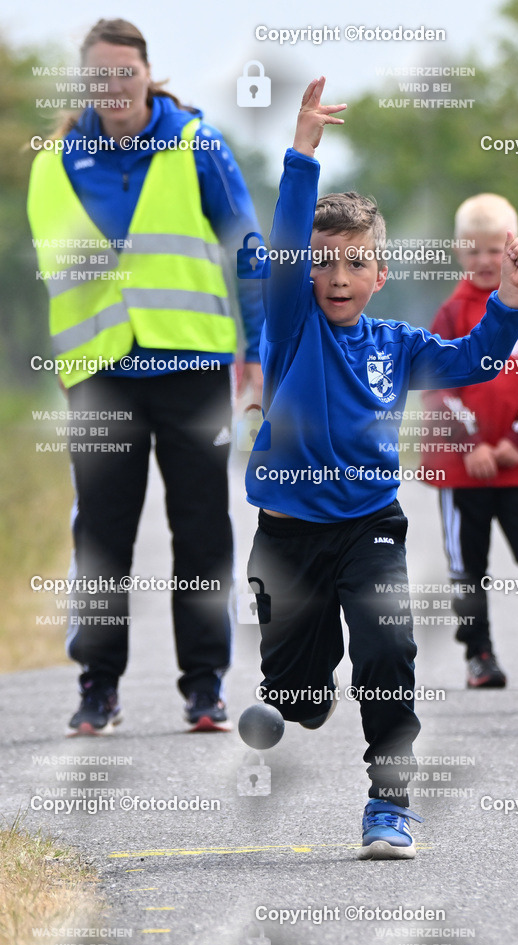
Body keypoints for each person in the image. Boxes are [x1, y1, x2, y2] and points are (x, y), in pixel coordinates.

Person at [243, 78, 518, 858]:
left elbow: (476, 357)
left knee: (387, 652)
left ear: (380, 274)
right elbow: (283, 236)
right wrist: (301, 151)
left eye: (357, 264)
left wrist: (508, 297)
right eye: (325, 263)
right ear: (306, 272)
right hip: (286, 534)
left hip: (371, 525)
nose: (338, 277)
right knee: (300, 696)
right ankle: (301, 692)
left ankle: (389, 802)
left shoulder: (398, 346)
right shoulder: (291, 327)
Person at [27, 18, 265, 735]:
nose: (113, 86)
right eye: (98, 74)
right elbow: (59, 279)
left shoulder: (198, 146)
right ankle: (98, 686)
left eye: (124, 71)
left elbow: (247, 247)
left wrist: (257, 350)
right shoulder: (56, 163)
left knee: (200, 532)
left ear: (146, 73)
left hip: (192, 366)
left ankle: (204, 687)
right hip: (101, 375)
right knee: (101, 535)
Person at [420, 194, 518, 690]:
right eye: (474, 251)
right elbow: (438, 387)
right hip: (462, 470)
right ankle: (479, 656)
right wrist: (472, 444)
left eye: (495, 250)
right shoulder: (450, 314)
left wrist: (514, 442)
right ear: (459, 254)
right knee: (468, 565)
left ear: (514, 248)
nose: (486, 261)